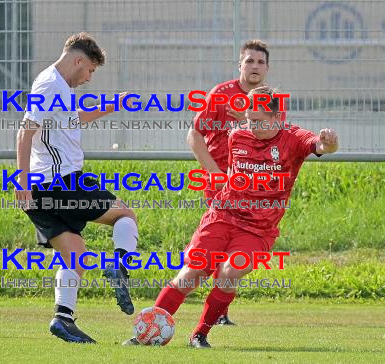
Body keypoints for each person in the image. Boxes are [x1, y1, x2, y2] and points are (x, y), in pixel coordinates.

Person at [124, 86, 339, 348]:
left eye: (258, 120)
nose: (252, 125)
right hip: (222, 216)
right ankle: (145, 333)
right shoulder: (237, 135)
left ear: (277, 118)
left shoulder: (293, 139)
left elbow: (319, 146)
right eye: (249, 118)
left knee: (229, 272)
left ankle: (200, 334)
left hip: (258, 229)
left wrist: (329, 143)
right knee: (191, 274)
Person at [16, 32, 138, 344]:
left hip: (44, 190)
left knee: (75, 256)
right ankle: (120, 267)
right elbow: (25, 132)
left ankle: (63, 319)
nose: (88, 77)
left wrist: (112, 105)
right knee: (125, 215)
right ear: (79, 60)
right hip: (62, 183)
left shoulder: (59, 85)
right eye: (90, 71)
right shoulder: (49, 84)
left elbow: (72, 120)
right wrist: (22, 180)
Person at [187, 39, 284, 326]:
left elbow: (278, 139)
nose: (255, 66)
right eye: (249, 61)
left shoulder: (271, 101)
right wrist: (214, 172)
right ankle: (215, 313)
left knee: (239, 251)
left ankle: (218, 313)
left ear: (267, 68)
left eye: (260, 62)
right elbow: (194, 135)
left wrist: (247, 118)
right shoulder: (221, 94)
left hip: (257, 192)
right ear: (240, 65)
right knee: (219, 245)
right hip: (223, 185)